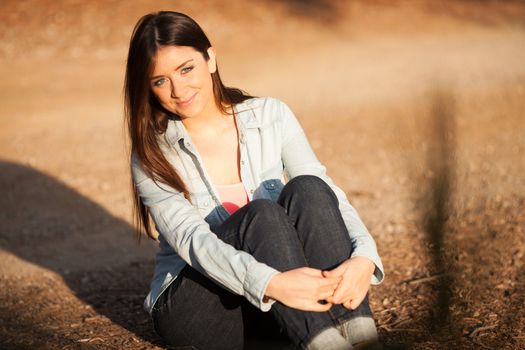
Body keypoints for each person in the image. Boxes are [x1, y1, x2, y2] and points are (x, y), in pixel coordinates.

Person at [124, 11, 384, 350]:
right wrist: (271, 283)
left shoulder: (271, 115)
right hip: (201, 306)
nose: (178, 89)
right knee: (261, 216)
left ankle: (361, 335)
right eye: (160, 81)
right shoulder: (152, 154)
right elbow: (193, 242)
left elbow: (326, 195)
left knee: (309, 187)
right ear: (149, 88)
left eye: (186, 69)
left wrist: (364, 257)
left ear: (210, 59)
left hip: (277, 303)